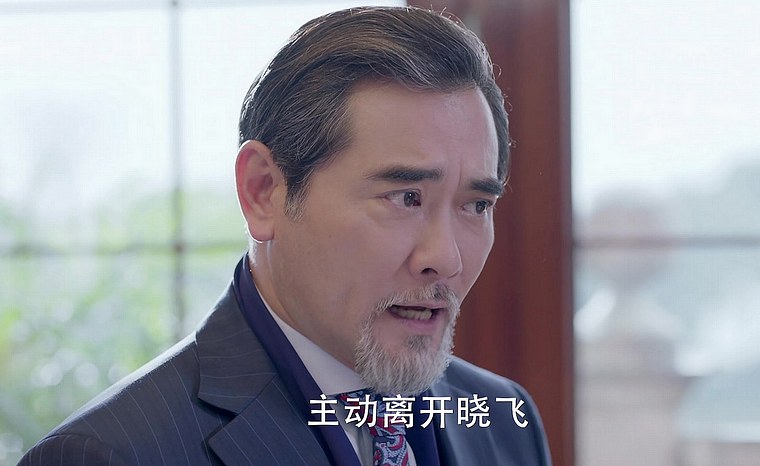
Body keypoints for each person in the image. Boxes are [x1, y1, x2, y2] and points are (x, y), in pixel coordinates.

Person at [19, 6, 552, 465]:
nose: (446, 258)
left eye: (476, 205)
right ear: (263, 191)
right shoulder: (111, 453)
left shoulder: (505, 422)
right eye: (405, 197)